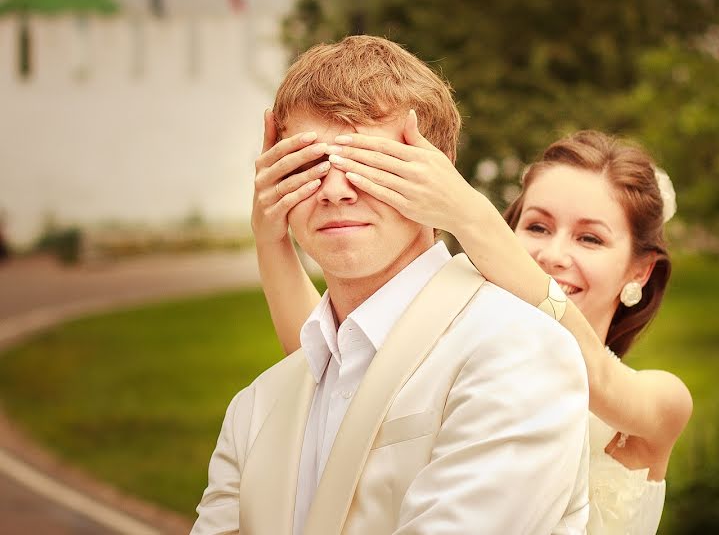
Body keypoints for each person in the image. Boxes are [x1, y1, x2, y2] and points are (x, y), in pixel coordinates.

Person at [192, 35, 591, 535]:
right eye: (309, 164)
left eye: (368, 164)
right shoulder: (256, 406)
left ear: (436, 173)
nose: (336, 191)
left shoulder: (517, 350)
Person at [254, 104, 693, 533]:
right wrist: (271, 236)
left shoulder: (663, 401)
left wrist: (467, 214)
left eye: (590, 238)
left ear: (640, 270)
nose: (553, 256)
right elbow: (329, 362)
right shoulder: (464, 351)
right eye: (537, 227)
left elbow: (593, 373)